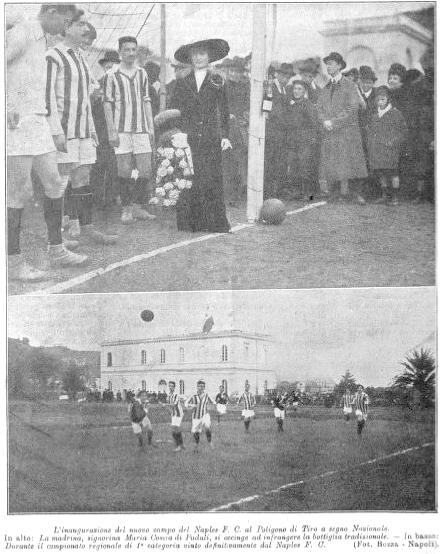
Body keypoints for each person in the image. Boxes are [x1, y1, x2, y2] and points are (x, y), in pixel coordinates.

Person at [6, 3, 86, 281]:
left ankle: (56, 249)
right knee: (19, 192)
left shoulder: (43, 39)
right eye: (65, 20)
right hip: (15, 122)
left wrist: (52, 126)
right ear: (52, 13)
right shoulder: (25, 30)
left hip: (37, 119)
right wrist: (6, 106)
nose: (66, 26)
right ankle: (13, 261)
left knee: (54, 182)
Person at [46, 12, 118, 247]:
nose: (86, 29)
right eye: (81, 25)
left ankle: (87, 228)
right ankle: (55, 237)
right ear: (66, 27)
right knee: (60, 182)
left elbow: (86, 96)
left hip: (84, 132)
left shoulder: (80, 57)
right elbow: (47, 99)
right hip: (64, 132)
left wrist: (93, 129)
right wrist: (55, 131)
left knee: (83, 178)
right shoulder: (52, 56)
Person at [170, 38, 232, 233]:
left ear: (209, 56)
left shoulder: (217, 81)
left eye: (202, 53)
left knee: (210, 178)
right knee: (188, 177)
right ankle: (188, 223)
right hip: (187, 138)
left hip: (210, 137)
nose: (198, 57)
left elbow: (224, 110)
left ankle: (214, 223)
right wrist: (176, 133)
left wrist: (225, 135)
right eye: (195, 54)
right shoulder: (181, 83)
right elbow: (174, 110)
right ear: (190, 58)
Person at [103, 36, 157, 224]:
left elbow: (146, 101)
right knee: (124, 171)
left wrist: (150, 126)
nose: (131, 53)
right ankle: (126, 209)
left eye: (134, 50)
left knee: (146, 169)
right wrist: (111, 131)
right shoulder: (111, 75)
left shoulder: (142, 73)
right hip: (121, 129)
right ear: (120, 52)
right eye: (127, 50)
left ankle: (138, 206)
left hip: (141, 128)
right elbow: (107, 104)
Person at [317, 52, 368, 204]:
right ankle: (335, 192)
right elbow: (319, 107)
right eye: (326, 63)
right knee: (333, 161)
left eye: (331, 63)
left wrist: (333, 122)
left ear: (339, 65)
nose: (328, 66)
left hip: (348, 131)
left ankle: (356, 193)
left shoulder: (350, 85)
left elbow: (352, 108)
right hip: (331, 131)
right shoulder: (326, 87)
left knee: (353, 162)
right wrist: (324, 121)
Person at [89, 50, 121, 209]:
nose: (110, 70)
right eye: (107, 67)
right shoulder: (98, 84)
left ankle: (112, 198)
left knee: (115, 166)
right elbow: (92, 108)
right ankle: (97, 200)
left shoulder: (122, 84)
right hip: (101, 131)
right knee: (99, 165)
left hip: (118, 130)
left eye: (113, 66)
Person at [366, 85, 407, 206]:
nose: (380, 102)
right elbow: (371, 132)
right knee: (381, 172)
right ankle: (384, 195)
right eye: (378, 99)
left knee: (393, 172)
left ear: (388, 99)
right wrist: (371, 145)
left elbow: (403, 131)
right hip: (378, 149)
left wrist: (393, 142)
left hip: (391, 149)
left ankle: (394, 197)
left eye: (383, 99)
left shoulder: (396, 113)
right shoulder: (375, 116)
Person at [221, 57, 250, 203]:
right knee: (226, 162)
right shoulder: (221, 86)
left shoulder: (246, 87)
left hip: (239, 130)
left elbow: (248, 107)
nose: (233, 74)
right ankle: (227, 194)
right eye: (231, 71)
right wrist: (227, 116)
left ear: (241, 73)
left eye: (237, 72)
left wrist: (241, 118)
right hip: (224, 129)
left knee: (239, 161)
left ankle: (238, 193)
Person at [264, 63, 294, 198]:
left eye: (288, 76)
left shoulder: (285, 90)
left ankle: (278, 191)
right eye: (283, 75)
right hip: (272, 131)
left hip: (282, 133)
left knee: (280, 162)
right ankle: (267, 192)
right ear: (277, 74)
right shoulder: (270, 87)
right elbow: (269, 110)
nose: (285, 78)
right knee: (270, 162)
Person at [285, 80, 319, 200]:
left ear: (304, 91)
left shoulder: (308, 105)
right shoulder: (292, 105)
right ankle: (296, 191)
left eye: (299, 89)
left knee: (305, 166)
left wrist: (311, 139)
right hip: (293, 141)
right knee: (294, 166)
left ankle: (308, 193)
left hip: (304, 141)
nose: (297, 91)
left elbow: (314, 124)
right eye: (295, 89)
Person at [186, 380, 215, 451]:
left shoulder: (207, 395)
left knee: (207, 427)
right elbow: (186, 403)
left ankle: (210, 443)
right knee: (196, 432)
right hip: (196, 416)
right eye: (199, 386)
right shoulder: (193, 395)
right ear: (197, 387)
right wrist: (192, 405)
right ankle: (196, 446)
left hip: (205, 415)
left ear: (204, 387)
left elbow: (213, 402)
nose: (200, 388)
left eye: (202, 386)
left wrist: (215, 405)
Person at [167, 381, 185, 452]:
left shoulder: (176, 395)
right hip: (174, 414)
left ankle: (178, 446)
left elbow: (174, 405)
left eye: (172, 386)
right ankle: (181, 444)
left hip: (178, 413)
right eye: (170, 386)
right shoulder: (169, 395)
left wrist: (165, 405)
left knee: (174, 430)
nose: (170, 387)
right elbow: (170, 406)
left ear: (174, 387)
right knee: (176, 430)